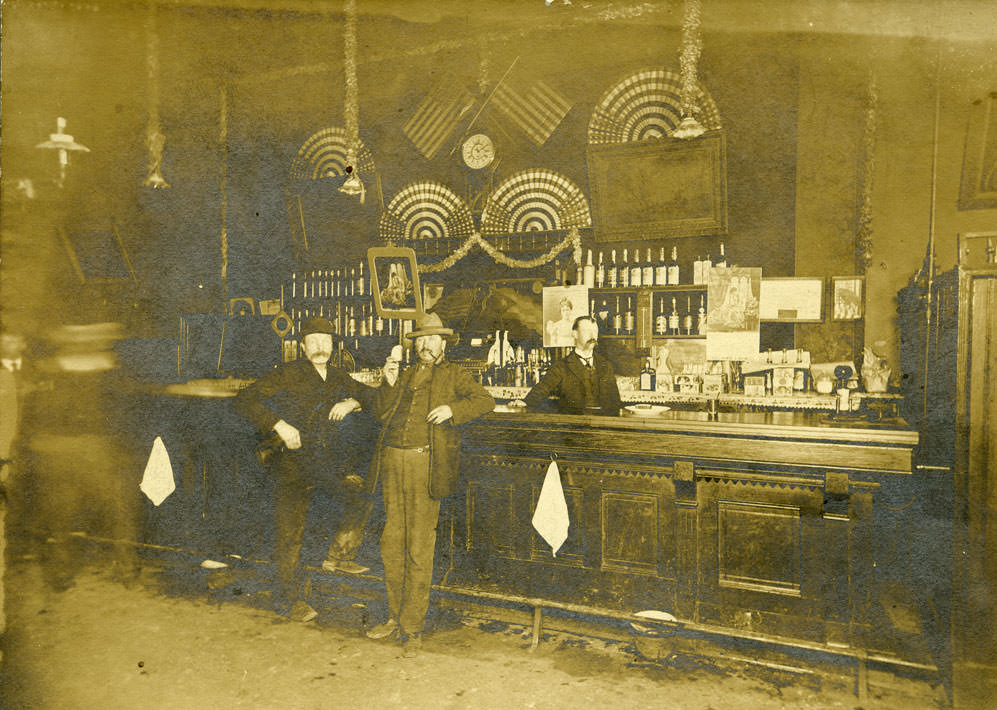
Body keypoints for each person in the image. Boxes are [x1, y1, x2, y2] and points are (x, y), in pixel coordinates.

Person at [364, 312, 494, 657]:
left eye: (431, 339)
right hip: (392, 461)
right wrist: (387, 383)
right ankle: (393, 617)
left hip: (425, 463)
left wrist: (452, 408)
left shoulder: (455, 374)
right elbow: (379, 414)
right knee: (391, 543)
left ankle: (413, 628)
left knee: (419, 547)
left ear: (444, 342)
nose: (424, 345)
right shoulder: (403, 374)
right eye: (419, 339)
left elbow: (485, 400)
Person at [233, 316, 377, 622]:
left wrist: (353, 402)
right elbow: (245, 400)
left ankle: (338, 556)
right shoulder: (288, 373)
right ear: (302, 346)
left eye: (326, 341)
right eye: (313, 342)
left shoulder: (338, 376)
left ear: (334, 345)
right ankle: (288, 601)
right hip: (291, 464)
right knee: (290, 534)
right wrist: (280, 425)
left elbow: (372, 397)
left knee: (359, 495)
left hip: (324, 464)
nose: (320, 347)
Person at [512, 315, 622, 416]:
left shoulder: (605, 365)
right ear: (575, 334)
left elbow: (615, 401)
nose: (593, 335)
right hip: (574, 429)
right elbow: (543, 388)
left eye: (595, 331)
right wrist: (524, 402)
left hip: (603, 428)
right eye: (587, 331)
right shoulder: (561, 366)